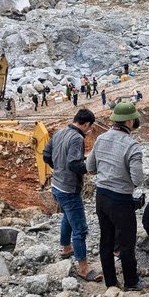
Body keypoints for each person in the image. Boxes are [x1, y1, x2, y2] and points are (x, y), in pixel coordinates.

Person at [87, 102, 147, 292]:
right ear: (130, 121)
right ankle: (131, 282)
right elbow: (138, 180)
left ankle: (111, 282)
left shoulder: (101, 138)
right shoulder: (132, 146)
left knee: (106, 240)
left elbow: (90, 168)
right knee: (126, 243)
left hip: (101, 197)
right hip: (121, 200)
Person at [43, 109, 102, 282]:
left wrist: (58, 168)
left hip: (56, 185)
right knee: (80, 228)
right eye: (89, 128)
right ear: (86, 124)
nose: (88, 131)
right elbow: (75, 164)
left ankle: (66, 247)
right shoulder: (77, 138)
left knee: (68, 217)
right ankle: (83, 267)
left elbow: (46, 155)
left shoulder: (60, 131)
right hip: (69, 188)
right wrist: (90, 169)